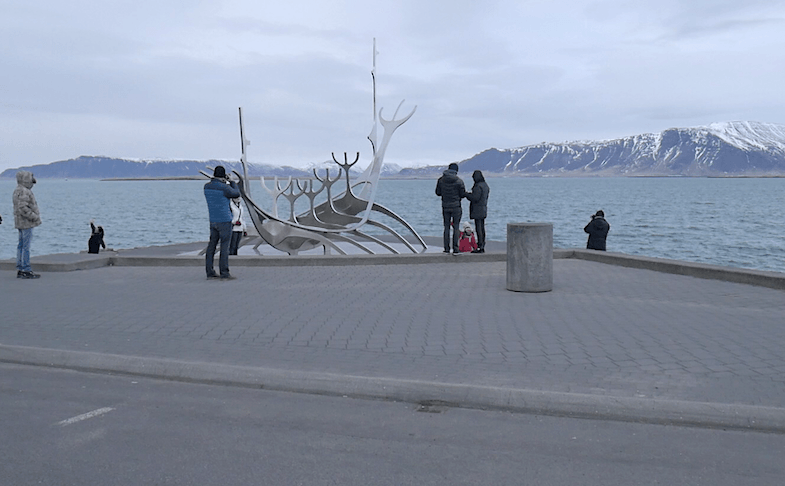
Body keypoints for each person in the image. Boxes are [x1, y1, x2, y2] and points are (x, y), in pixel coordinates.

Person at [204, 166, 240, 279]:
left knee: (211, 246)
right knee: (225, 247)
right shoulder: (224, 188)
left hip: (213, 220)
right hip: (225, 220)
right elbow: (236, 193)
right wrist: (232, 181)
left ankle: (209, 271)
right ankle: (224, 272)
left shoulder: (206, 187)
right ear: (224, 176)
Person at [13, 170, 42, 279]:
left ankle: (20, 268)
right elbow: (23, 208)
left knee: (20, 245)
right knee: (26, 246)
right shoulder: (25, 191)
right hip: (26, 223)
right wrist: (34, 216)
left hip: (19, 222)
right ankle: (26, 268)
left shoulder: (17, 190)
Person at [435, 162, 467, 253]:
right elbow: (462, 194)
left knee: (446, 227)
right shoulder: (459, 181)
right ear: (456, 171)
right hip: (456, 206)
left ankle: (446, 248)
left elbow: (437, 192)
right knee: (456, 227)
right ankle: (456, 248)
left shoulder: (441, 180)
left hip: (445, 206)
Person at [465, 170, 490, 253]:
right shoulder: (485, 185)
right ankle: (482, 244)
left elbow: (475, 198)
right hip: (483, 208)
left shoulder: (478, 186)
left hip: (477, 209)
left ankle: (480, 246)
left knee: (478, 228)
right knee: (482, 228)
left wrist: (466, 194)